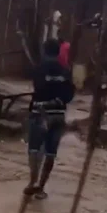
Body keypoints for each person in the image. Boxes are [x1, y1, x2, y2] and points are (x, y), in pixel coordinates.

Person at [24, 38, 75, 199]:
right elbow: (70, 93)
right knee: (51, 152)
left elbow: (38, 88)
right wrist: (58, 100)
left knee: (34, 149)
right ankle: (41, 187)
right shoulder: (65, 70)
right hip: (58, 115)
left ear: (44, 51)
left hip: (41, 113)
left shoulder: (39, 68)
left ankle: (32, 181)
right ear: (58, 51)